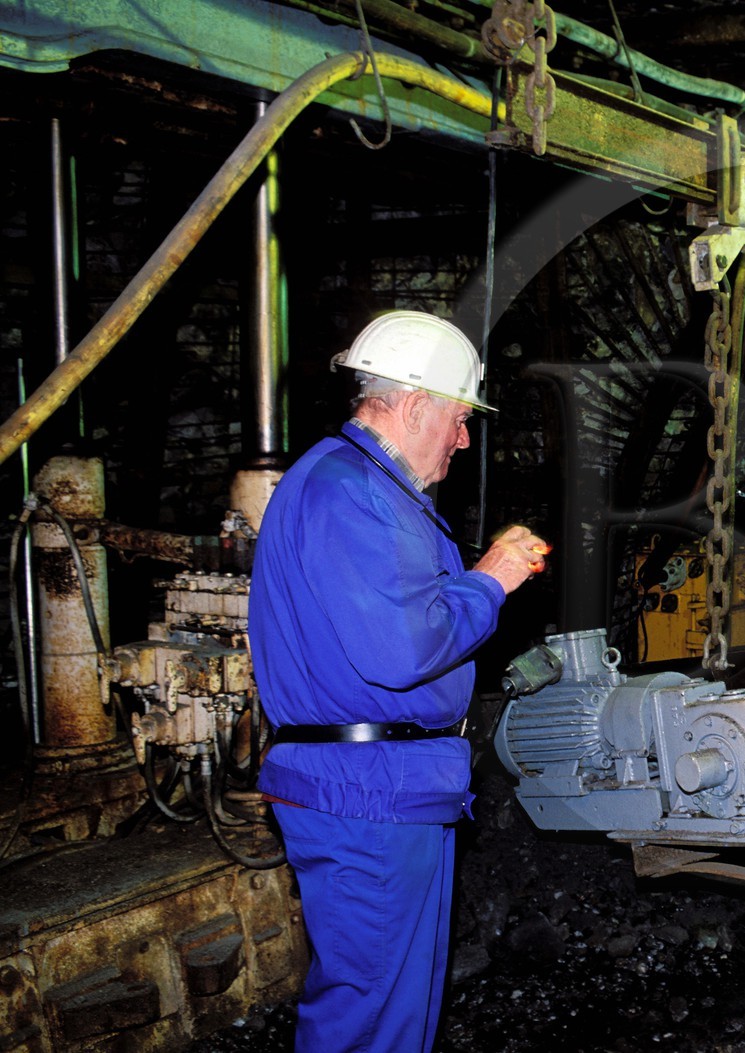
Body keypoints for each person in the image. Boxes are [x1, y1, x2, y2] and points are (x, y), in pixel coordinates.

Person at [248, 310, 549, 1051]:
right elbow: (401, 646)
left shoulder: (367, 489)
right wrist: (492, 578)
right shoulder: (351, 491)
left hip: (383, 786)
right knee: (373, 1017)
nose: (463, 436)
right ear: (416, 406)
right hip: (367, 793)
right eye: (457, 418)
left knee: (390, 1006)